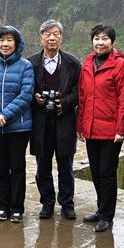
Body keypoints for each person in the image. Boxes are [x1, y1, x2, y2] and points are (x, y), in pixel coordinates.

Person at [76, 25, 124, 233]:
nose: (100, 42)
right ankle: (100, 209)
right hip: (91, 128)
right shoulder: (88, 64)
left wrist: (121, 129)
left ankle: (107, 215)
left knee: (107, 173)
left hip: (110, 131)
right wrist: (80, 125)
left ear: (112, 42)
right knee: (97, 172)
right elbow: (83, 97)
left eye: (105, 38)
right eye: (97, 38)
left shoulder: (121, 66)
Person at [27, 19, 81, 220]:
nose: (51, 38)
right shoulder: (31, 63)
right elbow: (25, 88)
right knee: (43, 165)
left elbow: (78, 91)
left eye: (56, 34)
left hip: (64, 121)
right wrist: (35, 97)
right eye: (47, 34)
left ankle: (67, 203)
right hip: (40, 123)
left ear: (61, 37)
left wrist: (64, 103)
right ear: (41, 38)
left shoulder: (72, 63)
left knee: (65, 164)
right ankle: (47, 202)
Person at [0, 25, 34, 223]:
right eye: (2, 40)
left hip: (18, 127)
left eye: (10, 40)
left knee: (17, 168)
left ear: (17, 44)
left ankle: (17, 207)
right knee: (0, 168)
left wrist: (5, 116)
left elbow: (26, 95)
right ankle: (2, 206)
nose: (5, 44)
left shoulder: (25, 66)